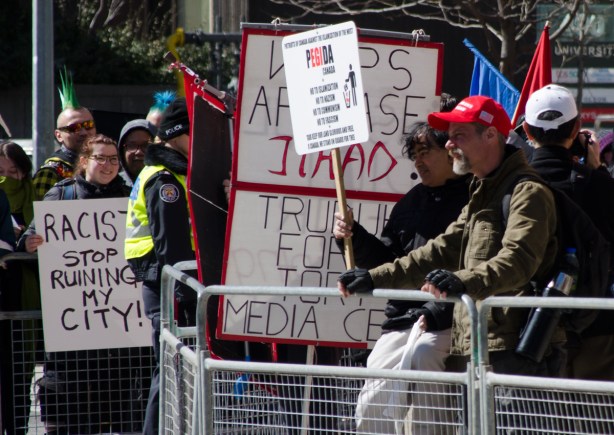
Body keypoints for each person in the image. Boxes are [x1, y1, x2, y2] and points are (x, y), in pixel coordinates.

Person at [338, 95, 560, 380]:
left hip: (515, 348)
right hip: (480, 343)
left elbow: (517, 261)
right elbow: (437, 252)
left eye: (459, 135)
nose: (450, 144)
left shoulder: (527, 191)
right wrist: (372, 278)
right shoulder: (482, 192)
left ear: (491, 135)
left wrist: (461, 281)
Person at [333, 121, 470, 434]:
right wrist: (352, 236)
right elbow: (387, 261)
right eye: (414, 154)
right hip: (402, 321)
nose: (418, 161)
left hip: (449, 320)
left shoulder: (473, 200)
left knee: (424, 365)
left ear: (450, 152)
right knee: (370, 407)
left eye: (426, 152)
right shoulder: (408, 204)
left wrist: (440, 309)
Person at [18, 134, 131, 434]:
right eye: (100, 158)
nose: (108, 165)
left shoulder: (130, 197)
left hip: (118, 335)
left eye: (113, 159)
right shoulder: (61, 194)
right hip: (71, 339)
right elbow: (29, 234)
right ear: (84, 161)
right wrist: (29, 242)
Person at [523, 84, 614, 381]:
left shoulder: (511, 187)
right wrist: (597, 170)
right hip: (595, 325)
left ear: (527, 130)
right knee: (595, 420)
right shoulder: (599, 186)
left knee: (536, 421)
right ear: (576, 128)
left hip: (528, 328)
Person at [124, 97, 196, 435]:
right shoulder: (164, 179)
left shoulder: (164, 173)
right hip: (170, 287)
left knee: (172, 371)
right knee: (168, 373)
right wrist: (184, 292)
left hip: (167, 285)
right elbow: (173, 246)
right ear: (179, 133)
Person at [32, 71, 96, 200]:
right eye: (74, 128)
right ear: (58, 135)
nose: (83, 132)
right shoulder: (50, 172)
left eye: (88, 125)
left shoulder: (105, 163)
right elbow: (41, 216)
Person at [0, 141, 34, 237]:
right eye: (0, 172)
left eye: (13, 171)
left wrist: (24, 236)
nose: (6, 177)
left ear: (23, 172)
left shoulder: (36, 197)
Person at [117, 119, 156, 187]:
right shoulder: (112, 188)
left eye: (146, 145)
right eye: (132, 146)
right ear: (122, 151)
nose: (139, 152)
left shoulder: (167, 183)